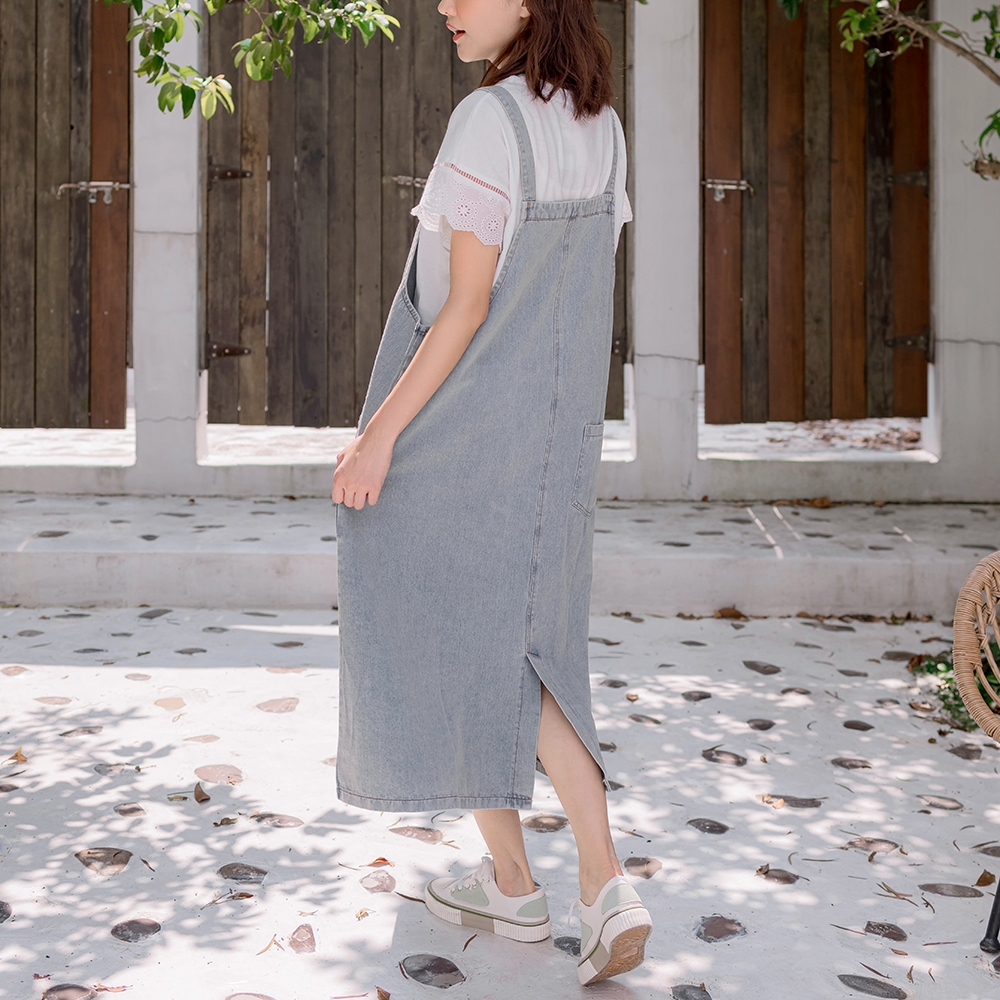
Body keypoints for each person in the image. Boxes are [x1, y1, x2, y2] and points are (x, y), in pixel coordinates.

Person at [331, 0, 650, 985]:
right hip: (555, 435)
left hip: (462, 426)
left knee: (473, 634)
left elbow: (464, 307)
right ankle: (517, 883)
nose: (445, 6)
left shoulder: (488, 121)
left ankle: (600, 876)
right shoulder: (602, 127)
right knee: (523, 637)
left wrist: (379, 434)